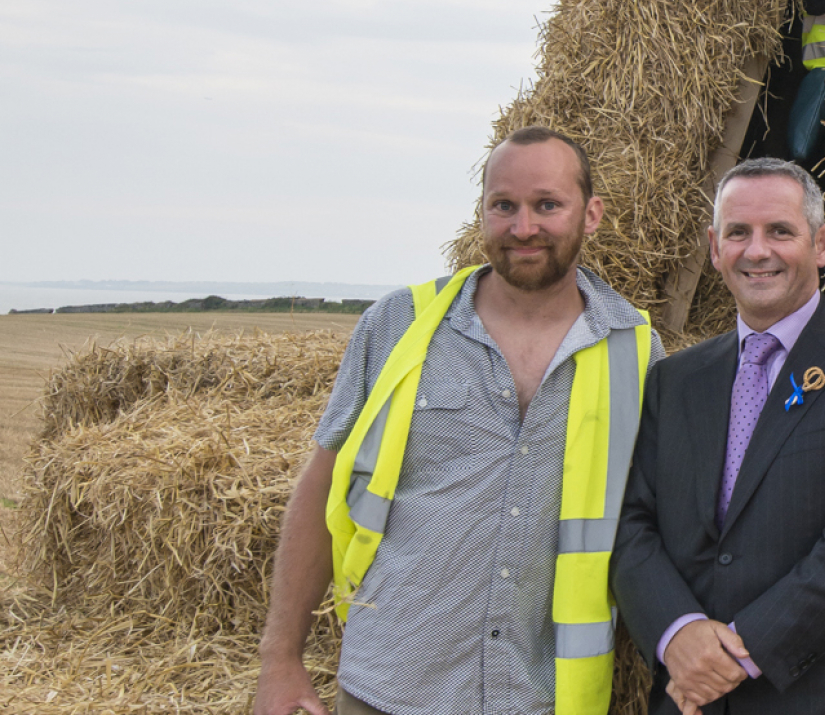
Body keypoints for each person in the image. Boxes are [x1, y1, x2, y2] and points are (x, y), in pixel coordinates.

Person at [252, 125, 664, 715]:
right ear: (481, 214)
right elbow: (322, 486)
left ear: (591, 214)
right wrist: (280, 657)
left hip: (539, 697)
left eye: (547, 204)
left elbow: (652, 524)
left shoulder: (637, 352)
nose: (524, 227)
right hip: (390, 687)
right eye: (504, 206)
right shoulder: (397, 325)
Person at [612, 157, 825, 715]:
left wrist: (738, 652)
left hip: (822, 693)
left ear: (822, 243)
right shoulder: (673, 380)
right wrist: (677, 633)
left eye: (780, 231)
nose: (756, 251)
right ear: (715, 248)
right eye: (738, 233)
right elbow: (633, 521)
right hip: (691, 696)